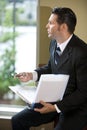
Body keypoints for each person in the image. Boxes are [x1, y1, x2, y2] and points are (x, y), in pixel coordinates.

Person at [11, 7, 87, 130]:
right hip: (54, 100)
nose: (46, 26)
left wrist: (55, 107)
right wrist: (32, 75)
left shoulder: (82, 52)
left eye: (51, 23)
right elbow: (51, 68)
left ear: (63, 27)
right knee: (17, 120)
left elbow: (83, 92)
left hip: (75, 108)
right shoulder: (53, 43)